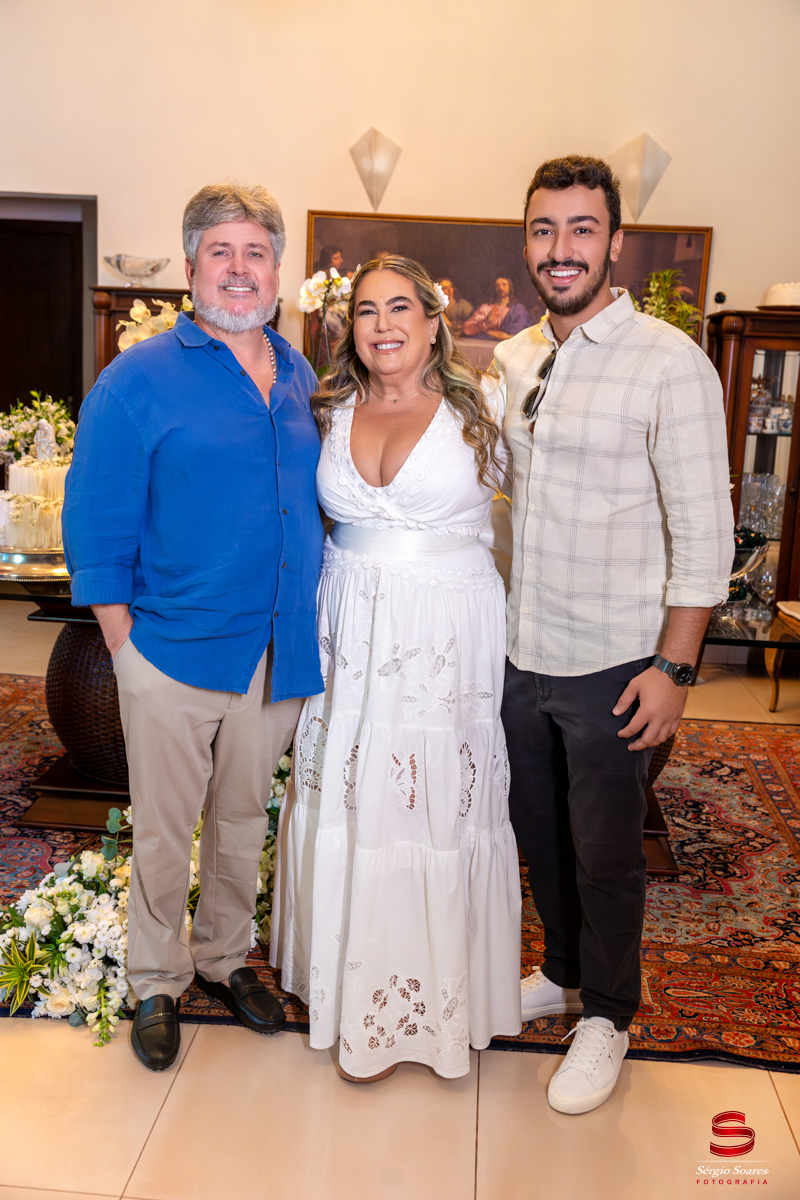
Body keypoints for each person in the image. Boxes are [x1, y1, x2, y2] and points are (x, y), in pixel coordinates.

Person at [62, 181, 324, 1071]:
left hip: (274, 652)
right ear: (190, 268)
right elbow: (95, 518)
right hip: (169, 653)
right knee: (166, 829)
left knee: (244, 817)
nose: (240, 270)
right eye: (222, 252)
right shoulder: (136, 379)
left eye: (256, 253)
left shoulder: (301, 376)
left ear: (277, 270)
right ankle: (155, 979)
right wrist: (124, 648)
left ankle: (223, 957)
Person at [494, 155, 733, 1114]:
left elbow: (705, 532)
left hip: (618, 659)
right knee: (539, 833)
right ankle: (561, 971)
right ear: (527, 241)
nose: (562, 249)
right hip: (522, 652)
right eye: (544, 229)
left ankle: (608, 1016)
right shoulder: (513, 358)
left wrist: (675, 666)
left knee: (606, 848)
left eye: (582, 229)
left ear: (614, 244)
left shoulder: (669, 362)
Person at [271, 256, 522, 1081]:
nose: (382, 325)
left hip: (444, 634)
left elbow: (547, 509)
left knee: (429, 807)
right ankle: (348, 990)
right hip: (350, 630)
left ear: (433, 320)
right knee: (352, 797)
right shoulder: (327, 409)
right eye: (366, 310)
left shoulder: (483, 408)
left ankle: (437, 999)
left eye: (400, 308)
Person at [463, 276, 529, 341]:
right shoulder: (485, 308)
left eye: (504, 284)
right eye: (497, 285)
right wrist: (486, 322)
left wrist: (487, 332)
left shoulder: (518, 309)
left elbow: (519, 336)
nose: (500, 288)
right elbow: (466, 328)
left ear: (510, 287)